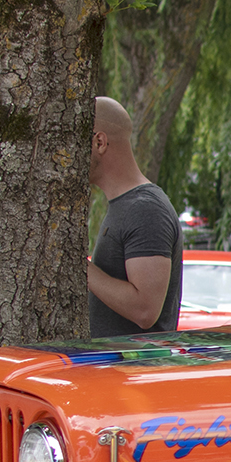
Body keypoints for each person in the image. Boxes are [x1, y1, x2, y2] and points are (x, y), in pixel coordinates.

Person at [87, 97, 182, 336]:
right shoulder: (125, 205)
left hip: (132, 371)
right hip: (116, 370)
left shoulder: (145, 209)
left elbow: (145, 311)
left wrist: (79, 269)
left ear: (100, 142)